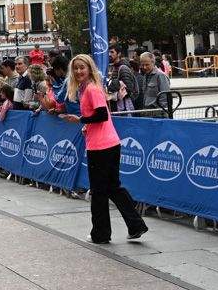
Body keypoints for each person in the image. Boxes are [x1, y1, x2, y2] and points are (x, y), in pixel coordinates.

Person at [46, 54, 147, 245]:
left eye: (82, 67)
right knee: (112, 187)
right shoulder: (87, 89)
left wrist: (80, 120)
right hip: (107, 142)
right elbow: (101, 115)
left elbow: (101, 115)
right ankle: (135, 225)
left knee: (99, 192)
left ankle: (100, 234)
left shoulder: (91, 89)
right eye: (75, 68)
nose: (78, 71)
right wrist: (87, 124)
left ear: (89, 68)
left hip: (102, 146)